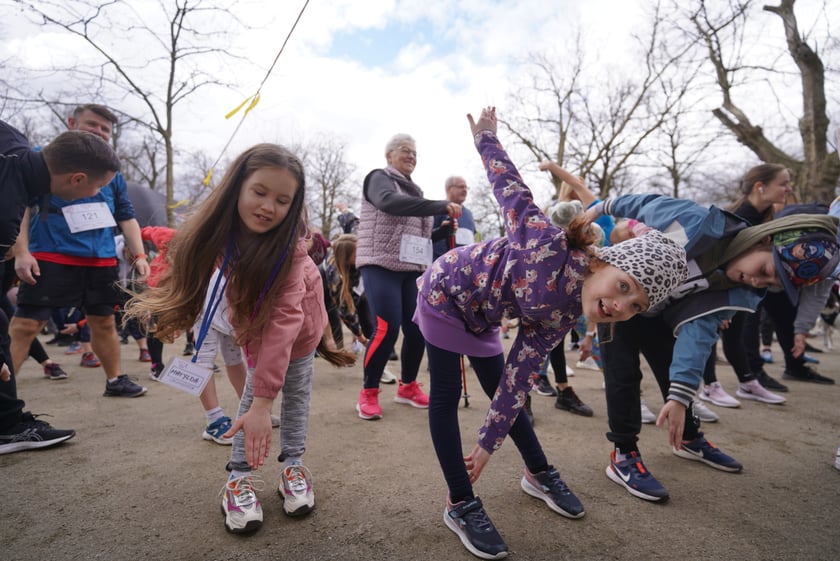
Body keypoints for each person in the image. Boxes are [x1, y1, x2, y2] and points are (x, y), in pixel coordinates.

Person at [415, 107, 689, 560]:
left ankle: (537, 472)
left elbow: (517, 381)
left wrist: (486, 444)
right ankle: (460, 501)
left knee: (509, 390)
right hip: (446, 294)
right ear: (604, 262)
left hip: (482, 316)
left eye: (635, 305)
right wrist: (485, 136)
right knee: (445, 393)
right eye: (623, 287)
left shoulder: (563, 316)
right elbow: (510, 187)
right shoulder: (544, 241)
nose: (621, 305)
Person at [125, 143, 352, 534]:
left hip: (296, 333)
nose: (268, 206)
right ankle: (239, 477)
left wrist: (266, 402)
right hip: (248, 326)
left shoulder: (293, 253)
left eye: (283, 200)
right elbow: (195, 279)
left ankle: (292, 466)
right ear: (237, 187)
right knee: (252, 397)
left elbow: (285, 321)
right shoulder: (214, 232)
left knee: (286, 396)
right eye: (260, 192)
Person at [588, 191, 839, 504]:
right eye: (764, 271)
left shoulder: (739, 292)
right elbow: (645, 205)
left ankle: (688, 438)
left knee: (676, 379)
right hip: (617, 300)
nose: (758, 282)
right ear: (763, 240)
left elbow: (698, 337)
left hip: (657, 316)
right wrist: (599, 208)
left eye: (770, 285)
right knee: (622, 376)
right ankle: (624, 454)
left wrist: (679, 396)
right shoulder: (701, 223)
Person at [9, 104, 149, 398]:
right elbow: (20, 205)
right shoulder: (43, 159)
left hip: (100, 259)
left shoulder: (112, 173)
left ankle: (116, 380)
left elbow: (126, 214)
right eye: (93, 124)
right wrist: (22, 251)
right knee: (26, 323)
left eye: (105, 129)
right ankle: (4, 396)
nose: (99, 131)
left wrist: (139, 255)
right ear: (73, 122)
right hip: (51, 254)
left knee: (104, 320)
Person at [0, 118, 120, 454]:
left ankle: (7, 421)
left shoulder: (14, 145)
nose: (98, 196)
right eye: (97, 188)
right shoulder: (8, 209)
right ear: (77, 179)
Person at [354, 132, 461, 420]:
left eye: (414, 152)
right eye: (405, 150)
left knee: (418, 328)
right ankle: (369, 392)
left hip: (410, 268)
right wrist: (438, 205)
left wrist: (441, 231)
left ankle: (408, 386)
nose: (411, 156)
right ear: (389, 156)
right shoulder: (379, 178)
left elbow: (416, 235)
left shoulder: (415, 191)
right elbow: (388, 203)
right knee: (387, 327)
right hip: (379, 264)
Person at [432, 175, 477, 260]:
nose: (465, 190)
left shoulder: (469, 214)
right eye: (461, 187)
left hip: (466, 264)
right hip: (443, 265)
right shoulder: (437, 209)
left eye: (466, 187)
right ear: (449, 189)